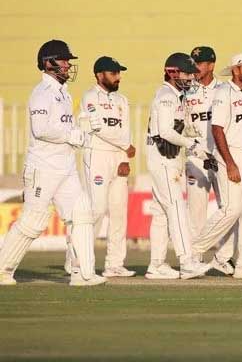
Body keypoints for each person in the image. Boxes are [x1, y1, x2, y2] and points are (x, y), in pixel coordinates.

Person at [0, 40, 105, 286]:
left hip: (65, 166)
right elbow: (41, 129)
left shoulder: (63, 93)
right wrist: (72, 135)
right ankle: (2, 269)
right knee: (33, 221)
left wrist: (83, 126)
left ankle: (83, 274)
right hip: (43, 168)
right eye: (64, 60)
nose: (68, 65)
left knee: (81, 213)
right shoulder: (42, 93)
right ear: (48, 63)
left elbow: (63, 127)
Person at [192, 52, 242, 279]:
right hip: (231, 156)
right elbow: (217, 129)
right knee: (231, 210)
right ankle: (192, 251)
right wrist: (229, 163)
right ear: (236, 70)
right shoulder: (223, 92)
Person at [144, 52, 211, 280]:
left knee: (161, 213)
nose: (191, 79)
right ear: (172, 72)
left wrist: (199, 149)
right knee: (176, 208)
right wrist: (191, 145)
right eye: (186, 74)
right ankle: (187, 262)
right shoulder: (166, 95)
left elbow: (180, 130)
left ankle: (156, 265)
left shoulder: (177, 96)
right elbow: (164, 131)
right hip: (163, 159)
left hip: (169, 159)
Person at [80, 56, 135, 278]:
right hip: (97, 156)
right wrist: (126, 145)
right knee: (97, 209)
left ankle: (114, 264)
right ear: (99, 75)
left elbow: (126, 130)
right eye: (113, 73)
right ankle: (78, 260)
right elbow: (99, 128)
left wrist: (125, 158)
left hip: (117, 158)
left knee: (119, 212)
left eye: (119, 73)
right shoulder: (89, 97)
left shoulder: (122, 100)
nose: (118, 77)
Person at [182, 46, 229, 274]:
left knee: (228, 208)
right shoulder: (186, 90)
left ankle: (223, 257)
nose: (195, 68)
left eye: (199, 64)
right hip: (195, 157)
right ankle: (194, 260)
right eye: (192, 64)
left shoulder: (224, 89)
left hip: (220, 156)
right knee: (196, 210)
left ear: (211, 65)